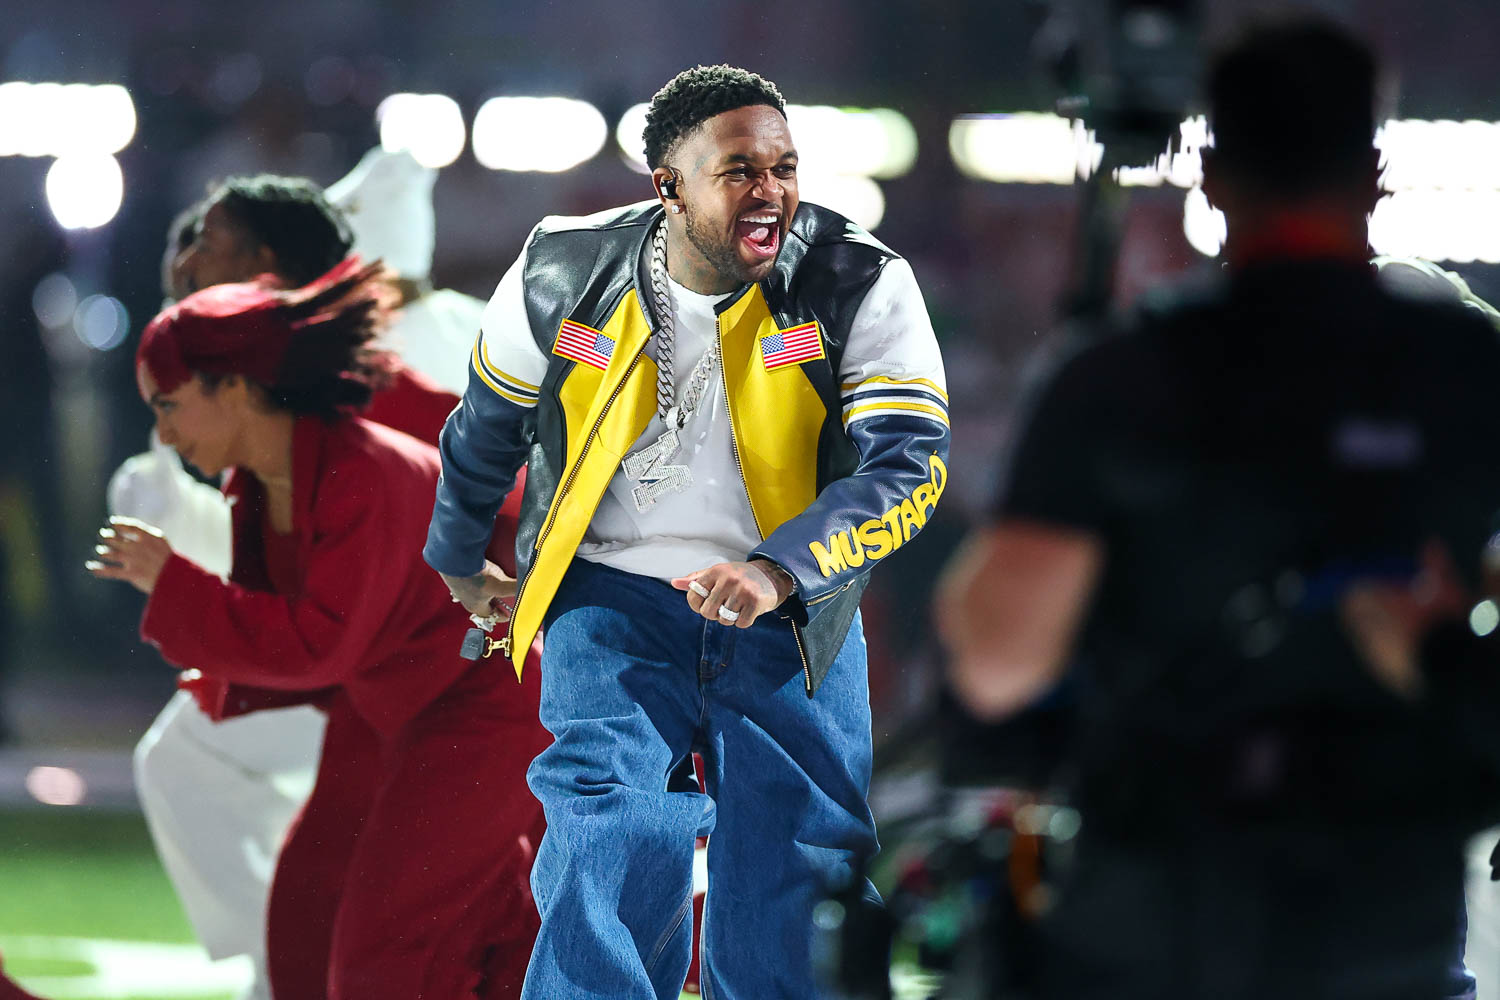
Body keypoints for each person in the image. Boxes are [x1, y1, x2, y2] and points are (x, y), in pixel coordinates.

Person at [938, 19, 1500, 1000]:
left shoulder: (1117, 379)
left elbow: (997, 666)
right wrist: (1444, 655)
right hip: (1390, 943)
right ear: (1374, 175)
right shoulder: (1467, 371)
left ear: (1211, 177)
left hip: (1150, 938)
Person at [424, 64, 950, 998]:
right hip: (608, 602)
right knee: (603, 835)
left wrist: (778, 572)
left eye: (786, 167)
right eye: (741, 169)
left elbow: (908, 466)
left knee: (798, 871)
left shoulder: (859, 279)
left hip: (793, 616)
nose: (772, 190)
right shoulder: (558, 268)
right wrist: (460, 556)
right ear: (668, 185)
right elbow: (486, 426)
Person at [91, 262, 548, 1000]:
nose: (164, 433)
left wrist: (172, 583)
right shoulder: (263, 478)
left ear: (234, 388)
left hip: (489, 704)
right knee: (348, 923)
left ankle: (700, 940)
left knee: (383, 955)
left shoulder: (359, 472)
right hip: (415, 704)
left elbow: (319, 644)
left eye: (171, 404)